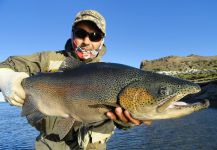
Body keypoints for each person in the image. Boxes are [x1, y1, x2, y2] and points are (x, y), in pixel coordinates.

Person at [0, 10, 152, 150]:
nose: (86, 41)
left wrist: (127, 122)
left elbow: (123, 122)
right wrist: (8, 79)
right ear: (72, 34)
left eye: (94, 36)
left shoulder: (112, 74)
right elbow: (6, 65)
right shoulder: (48, 60)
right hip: (49, 144)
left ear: (102, 41)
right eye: (80, 34)